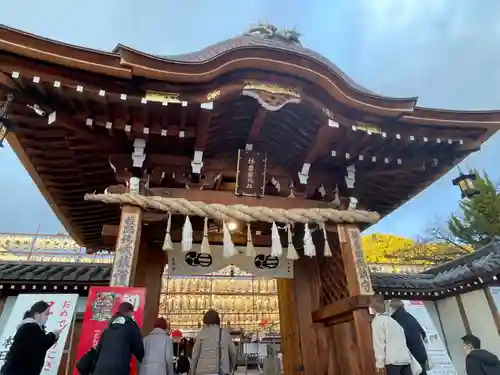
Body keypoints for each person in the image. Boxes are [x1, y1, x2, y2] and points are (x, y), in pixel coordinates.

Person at [1, 300, 63, 375]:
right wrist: (53, 334)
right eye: (46, 314)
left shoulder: (29, 326)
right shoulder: (31, 327)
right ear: (37, 314)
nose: (47, 317)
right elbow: (42, 344)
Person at [93, 301, 145, 375]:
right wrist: (142, 357)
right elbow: (138, 347)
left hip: (100, 369)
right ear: (129, 311)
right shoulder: (131, 326)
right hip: (119, 369)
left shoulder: (108, 328)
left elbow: (98, 350)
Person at [370, 296, 413, 375]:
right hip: (405, 359)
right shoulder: (393, 321)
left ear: (372, 309)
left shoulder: (377, 322)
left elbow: (379, 343)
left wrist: (379, 364)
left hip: (392, 361)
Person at [191, 309, 237, 375]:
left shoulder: (201, 334)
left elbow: (195, 356)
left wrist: (192, 372)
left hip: (201, 371)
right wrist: (232, 368)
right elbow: (233, 353)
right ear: (218, 321)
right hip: (220, 371)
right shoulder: (225, 334)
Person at [390, 299, 428, 374]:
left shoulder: (394, 320)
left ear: (393, 308)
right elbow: (423, 334)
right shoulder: (411, 317)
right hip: (420, 354)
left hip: (409, 358)